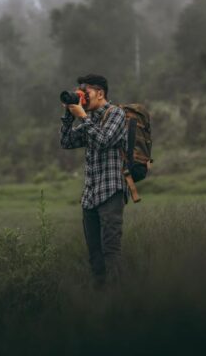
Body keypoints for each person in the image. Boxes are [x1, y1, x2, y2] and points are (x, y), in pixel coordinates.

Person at [60, 74, 128, 287]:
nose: (83, 98)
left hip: (110, 193)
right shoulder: (89, 120)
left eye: (85, 93)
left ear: (100, 93)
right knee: (95, 257)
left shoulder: (116, 114)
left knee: (110, 253)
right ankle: (101, 301)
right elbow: (66, 142)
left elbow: (104, 140)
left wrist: (83, 117)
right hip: (90, 197)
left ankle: (118, 300)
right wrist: (69, 115)